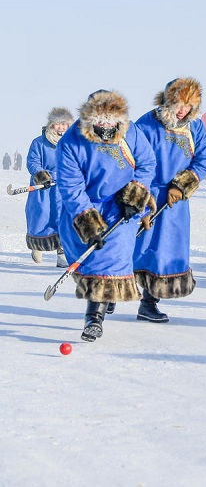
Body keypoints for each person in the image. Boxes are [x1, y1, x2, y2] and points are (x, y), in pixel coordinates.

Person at [56, 90, 156, 342]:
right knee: (89, 262)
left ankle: (94, 319)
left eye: (111, 119)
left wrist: (135, 197)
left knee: (110, 261)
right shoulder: (71, 141)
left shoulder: (131, 133)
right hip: (86, 207)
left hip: (121, 208)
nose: (106, 125)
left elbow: (147, 164)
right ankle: (107, 296)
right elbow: (71, 186)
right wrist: (88, 224)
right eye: (100, 120)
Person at [133, 78, 206, 323]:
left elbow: (203, 160)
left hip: (175, 201)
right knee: (133, 245)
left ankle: (148, 302)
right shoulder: (146, 124)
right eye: (179, 103)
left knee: (163, 251)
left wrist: (182, 184)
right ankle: (111, 295)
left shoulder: (195, 129)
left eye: (188, 105)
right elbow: (131, 159)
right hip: (147, 193)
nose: (182, 110)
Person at [26, 107, 73, 267]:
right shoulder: (39, 143)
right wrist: (41, 175)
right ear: (51, 124)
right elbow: (33, 162)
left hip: (62, 188)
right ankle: (37, 246)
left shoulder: (71, 143)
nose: (61, 128)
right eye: (58, 124)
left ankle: (62, 253)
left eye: (64, 124)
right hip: (43, 189)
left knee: (63, 218)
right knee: (41, 215)